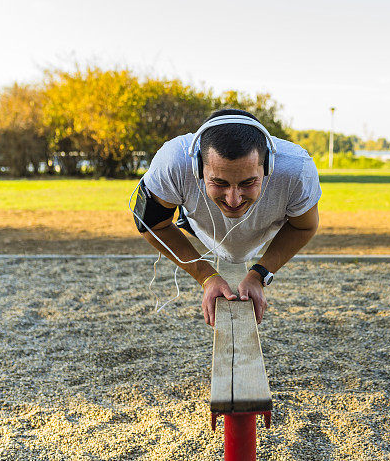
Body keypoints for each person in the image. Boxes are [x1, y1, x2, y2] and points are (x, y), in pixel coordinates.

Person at [132, 109, 321, 327]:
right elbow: (150, 224)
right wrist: (207, 277)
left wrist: (259, 274)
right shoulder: (173, 163)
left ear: (268, 166)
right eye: (219, 182)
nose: (233, 199)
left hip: (267, 225)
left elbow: (303, 227)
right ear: (197, 167)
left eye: (248, 182)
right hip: (199, 223)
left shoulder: (297, 169)